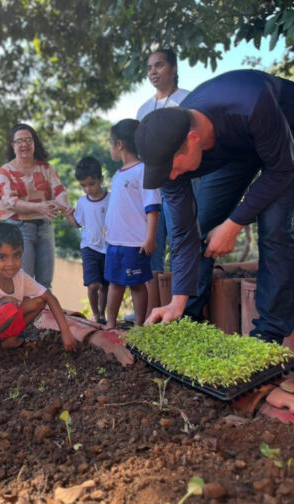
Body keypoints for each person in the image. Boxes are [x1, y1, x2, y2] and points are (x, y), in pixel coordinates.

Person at [135, 69, 294, 345]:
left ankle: (269, 336)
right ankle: (186, 317)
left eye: (174, 169)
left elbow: (282, 170)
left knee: (274, 227)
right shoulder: (169, 156)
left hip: (284, 134)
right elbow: (184, 231)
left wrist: (234, 224)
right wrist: (177, 300)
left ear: (193, 140)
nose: (172, 177)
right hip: (237, 147)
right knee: (204, 223)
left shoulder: (251, 103)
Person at [123, 49, 190, 324]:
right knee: (151, 246)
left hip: (182, 185)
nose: (153, 71)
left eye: (159, 65)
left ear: (173, 68)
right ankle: (151, 308)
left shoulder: (187, 100)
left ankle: (182, 307)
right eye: (150, 67)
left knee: (181, 243)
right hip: (152, 189)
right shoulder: (143, 109)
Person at [0, 222, 76, 369]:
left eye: (17, 255)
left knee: (39, 301)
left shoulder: (20, 276)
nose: (11, 264)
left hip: (0, 325)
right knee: (8, 307)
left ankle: (8, 340)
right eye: (2, 257)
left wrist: (65, 332)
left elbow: (48, 296)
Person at [0, 124, 69, 289]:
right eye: (19, 141)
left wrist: (61, 205)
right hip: (19, 229)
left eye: (28, 140)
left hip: (45, 227)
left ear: (34, 143)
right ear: (13, 145)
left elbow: (60, 190)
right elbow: (9, 201)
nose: (24, 144)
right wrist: (39, 207)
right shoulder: (6, 170)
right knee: (22, 282)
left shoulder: (46, 168)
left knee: (45, 283)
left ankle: (43, 308)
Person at [104, 119, 161, 329]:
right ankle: (110, 323)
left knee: (137, 285)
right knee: (114, 282)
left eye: (110, 142)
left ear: (120, 144)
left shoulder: (143, 171)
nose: (110, 147)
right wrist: (107, 227)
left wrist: (150, 238)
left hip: (135, 243)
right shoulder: (117, 175)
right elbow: (116, 206)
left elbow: (152, 208)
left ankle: (138, 325)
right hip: (115, 242)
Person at [64, 157, 109, 324]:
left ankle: (102, 315)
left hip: (108, 248)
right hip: (89, 247)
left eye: (91, 184)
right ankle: (95, 314)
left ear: (101, 180)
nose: (87, 189)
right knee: (93, 284)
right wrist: (68, 214)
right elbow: (78, 223)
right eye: (83, 185)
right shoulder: (83, 202)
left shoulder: (111, 199)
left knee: (105, 285)